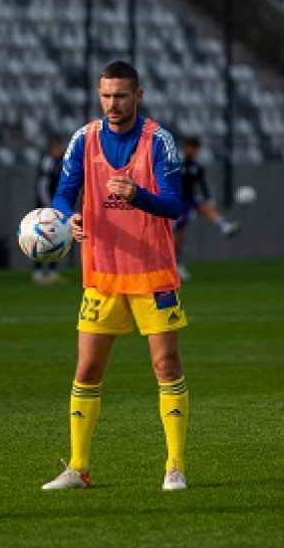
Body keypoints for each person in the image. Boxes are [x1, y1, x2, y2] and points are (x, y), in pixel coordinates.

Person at [41, 60, 190, 492]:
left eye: (121, 95)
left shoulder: (158, 140)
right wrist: (68, 218)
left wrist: (137, 195)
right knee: (87, 368)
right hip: (102, 273)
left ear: (138, 96)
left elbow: (175, 204)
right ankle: (78, 468)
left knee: (166, 365)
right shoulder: (83, 139)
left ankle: (175, 466)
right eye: (106, 95)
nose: (112, 103)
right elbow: (64, 192)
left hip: (152, 272)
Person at [173, 137, 241, 281]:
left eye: (195, 149)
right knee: (180, 232)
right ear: (186, 148)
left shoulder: (197, 167)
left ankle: (225, 226)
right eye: (191, 148)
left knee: (204, 206)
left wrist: (209, 198)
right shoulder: (176, 164)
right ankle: (176, 263)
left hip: (190, 199)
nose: (193, 151)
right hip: (177, 202)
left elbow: (203, 184)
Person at [33, 134, 68, 284]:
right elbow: (42, 184)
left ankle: (52, 272)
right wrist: (47, 204)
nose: (60, 149)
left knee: (56, 238)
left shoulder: (59, 161)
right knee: (42, 238)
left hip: (55, 206)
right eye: (58, 146)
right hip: (46, 206)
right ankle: (38, 271)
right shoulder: (48, 161)